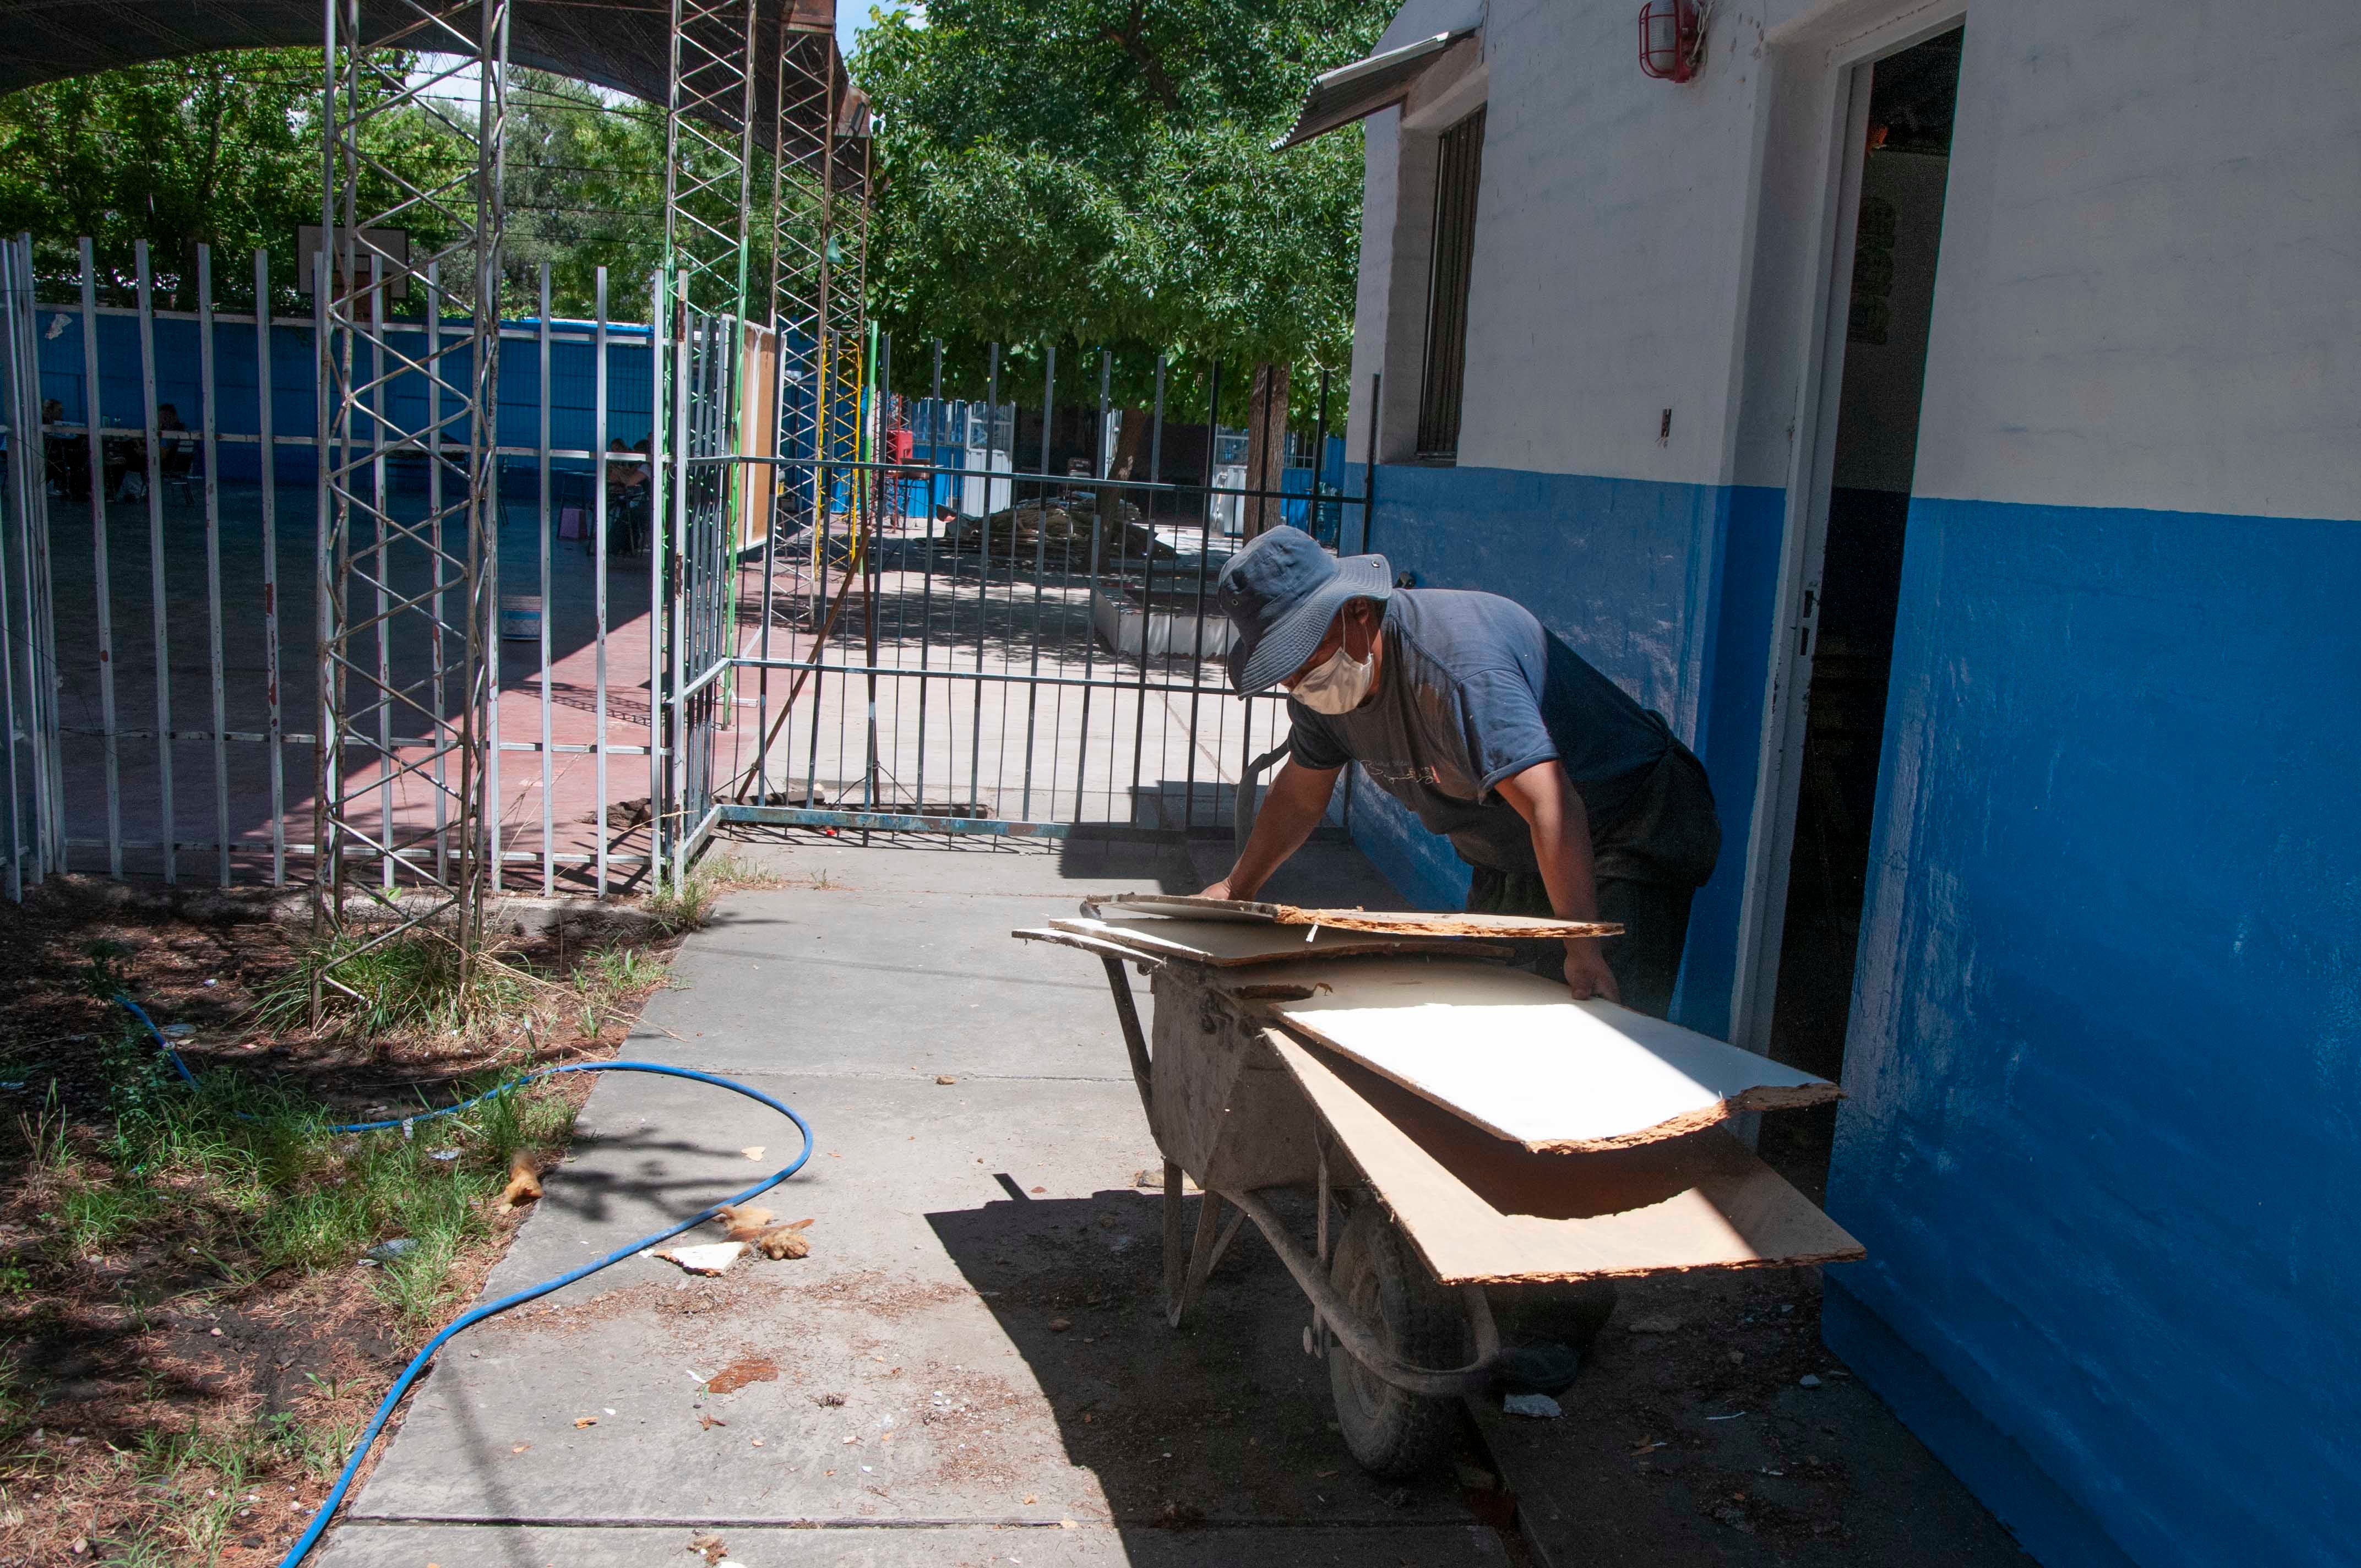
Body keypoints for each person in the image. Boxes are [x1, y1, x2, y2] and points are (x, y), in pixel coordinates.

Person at [1204, 526, 1721, 1017]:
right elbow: (1299, 796)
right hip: (1515, 843)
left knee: (1597, 1021)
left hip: (1628, 822)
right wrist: (1236, 889)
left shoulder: (1457, 667)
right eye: (1284, 671)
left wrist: (1583, 948)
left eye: (1305, 656)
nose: (1300, 681)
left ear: (1356, 610)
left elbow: (1551, 804)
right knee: (1493, 1009)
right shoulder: (1323, 695)